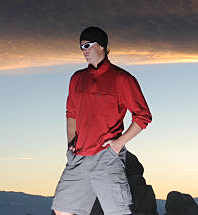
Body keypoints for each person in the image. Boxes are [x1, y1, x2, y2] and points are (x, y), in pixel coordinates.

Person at [51, 27, 152, 215]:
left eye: (88, 45)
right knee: (62, 210)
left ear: (102, 46)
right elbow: (71, 112)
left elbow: (143, 116)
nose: (84, 50)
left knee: (118, 213)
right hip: (79, 158)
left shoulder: (122, 79)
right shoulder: (77, 79)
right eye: (81, 47)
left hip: (107, 158)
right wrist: (71, 142)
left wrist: (118, 144)